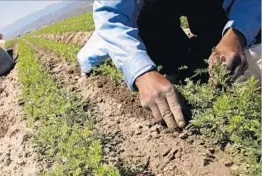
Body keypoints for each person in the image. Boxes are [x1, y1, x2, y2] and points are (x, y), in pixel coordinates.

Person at [77, 0, 261, 129]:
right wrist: (141, 73)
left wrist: (236, 34)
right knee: (171, 61)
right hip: (151, 10)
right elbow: (113, 16)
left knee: (223, 43)